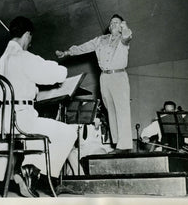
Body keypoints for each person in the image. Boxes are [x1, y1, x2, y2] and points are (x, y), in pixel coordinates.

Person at [0, 16, 78, 197]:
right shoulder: (23, 56)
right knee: (69, 132)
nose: (30, 43)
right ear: (27, 35)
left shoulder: (2, 59)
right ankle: (37, 174)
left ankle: (24, 172)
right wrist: (54, 66)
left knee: (44, 132)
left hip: (3, 119)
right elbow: (58, 74)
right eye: (30, 39)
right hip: (22, 119)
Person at [56, 14, 133, 154]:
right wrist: (67, 52)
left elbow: (128, 36)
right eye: (111, 23)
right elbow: (83, 47)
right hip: (105, 77)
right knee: (111, 110)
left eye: (117, 23)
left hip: (119, 76)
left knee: (122, 110)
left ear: (122, 26)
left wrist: (125, 26)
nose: (113, 24)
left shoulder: (123, 39)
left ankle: (125, 145)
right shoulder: (100, 40)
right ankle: (116, 144)